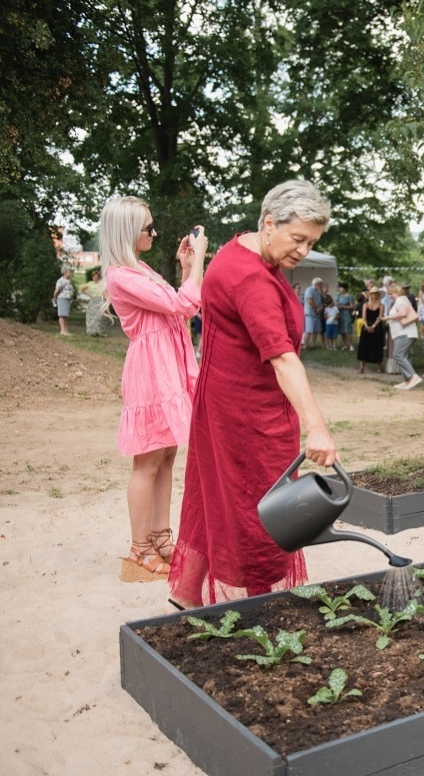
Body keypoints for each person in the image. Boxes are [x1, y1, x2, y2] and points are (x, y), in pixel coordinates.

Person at [169, 179, 337, 607]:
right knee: (259, 511)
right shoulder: (251, 279)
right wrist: (317, 427)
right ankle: (261, 607)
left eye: (311, 242)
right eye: (297, 238)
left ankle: (188, 599)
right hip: (248, 414)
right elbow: (282, 358)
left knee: (216, 501)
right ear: (268, 223)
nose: (302, 251)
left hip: (224, 403)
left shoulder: (240, 251)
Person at [99, 196, 206, 582]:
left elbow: (178, 306)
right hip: (151, 370)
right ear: (128, 232)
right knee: (147, 461)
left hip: (168, 366)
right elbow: (182, 305)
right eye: (148, 228)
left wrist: (187, 268)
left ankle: (161, 538)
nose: (155, 233)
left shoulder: (138, 268)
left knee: (166, 456)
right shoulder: (121, 276)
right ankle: (139, 551)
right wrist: (200, 264)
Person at [382, 283, 421, 389]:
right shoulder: (400, 301)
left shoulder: (400, 300)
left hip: (405, 333)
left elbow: (403, 313)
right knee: (404, 356)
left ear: (396, 292)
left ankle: (413, 376)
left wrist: (388, 318)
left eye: (391, 293)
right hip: (403, 333)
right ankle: (406, 381)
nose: (390, 296)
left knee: (398, 354)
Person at [356, 287, 385, 373]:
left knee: (378, 346)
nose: (374, 295)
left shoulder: (381, 305)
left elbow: (380, 318)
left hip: (377, 326)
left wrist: (373, 326)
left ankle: (379, 367)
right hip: (366, 326)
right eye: (372, 293)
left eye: (376, 293)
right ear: (370, 294)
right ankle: (362, 366)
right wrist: (367, 326)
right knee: (363, 346)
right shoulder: (365, 305)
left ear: (378, 294)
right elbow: (364, 317)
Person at [79, 268, 109, 336]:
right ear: (92, 277)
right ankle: (92, 331)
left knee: (100, 316)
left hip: (100, 300)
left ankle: (101, 331)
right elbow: (82, 289)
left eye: (96, 277)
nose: (95, 278)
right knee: (92, 316)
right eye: (94, 277)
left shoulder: (101, 283)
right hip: (93, 300)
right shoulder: (90, 284)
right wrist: (90, 295)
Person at [301, 277, 324, 350]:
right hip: (310, 313)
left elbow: (319, 301)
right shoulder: (309, 290)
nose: (321, 286)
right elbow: (310, 300)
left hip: (316, 314)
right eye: (320, 285)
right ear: (317, 284)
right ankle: (305, 345)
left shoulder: (317, 292)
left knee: (315, 330)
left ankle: (313, 345)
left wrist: (320, 308)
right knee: (309, 330)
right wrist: (317, 308)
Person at [53, 266, 75, 336]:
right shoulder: (61, 281)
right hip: (62, 298)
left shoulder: (68, 281)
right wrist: (55, 298)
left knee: (65, 315)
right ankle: (62, 330)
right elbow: (57, 291)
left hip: (67, 299)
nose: (70, 273)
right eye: (69, 272)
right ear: (65, 272)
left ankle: (66, 330)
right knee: (62, 315)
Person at [335, 283, 354, 351]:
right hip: (340, 315)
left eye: (341, 287)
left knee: (347, 331)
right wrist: (338, 306)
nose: (339, 289)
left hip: (347, 315)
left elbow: (352, 306)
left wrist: (344, 307)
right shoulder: (339, 296)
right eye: (339, 287)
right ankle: (345, 345)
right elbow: (336, 304)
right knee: (342, 331)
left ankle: (351, 345)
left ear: (345, 288)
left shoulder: (349, 296)